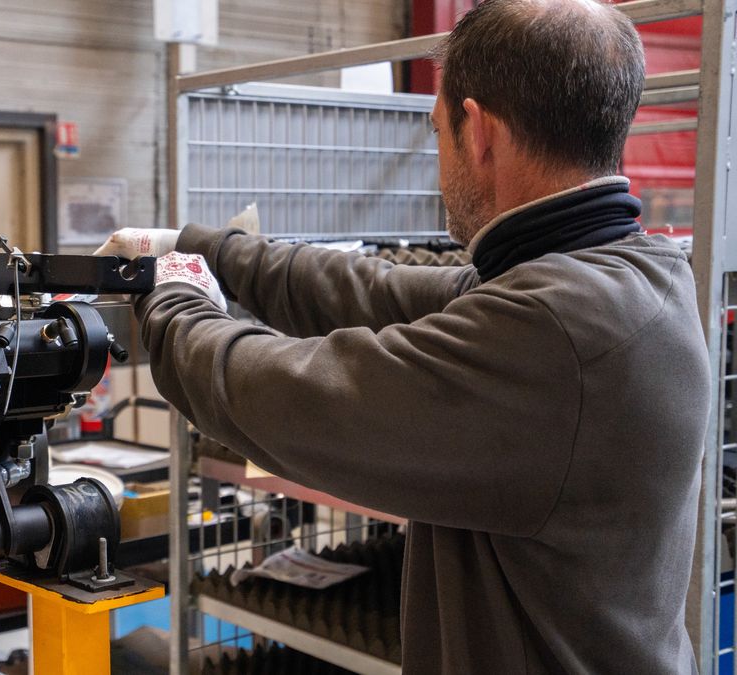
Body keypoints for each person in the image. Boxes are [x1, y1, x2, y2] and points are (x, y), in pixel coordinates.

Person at [96, 0, 708, 672]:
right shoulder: (615, 273)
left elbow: (293, 397)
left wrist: (171, 294)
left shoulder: (558, 330)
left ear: (477, 133)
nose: (439, 159)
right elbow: (376, 291)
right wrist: (202, 247)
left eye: (436, 132)